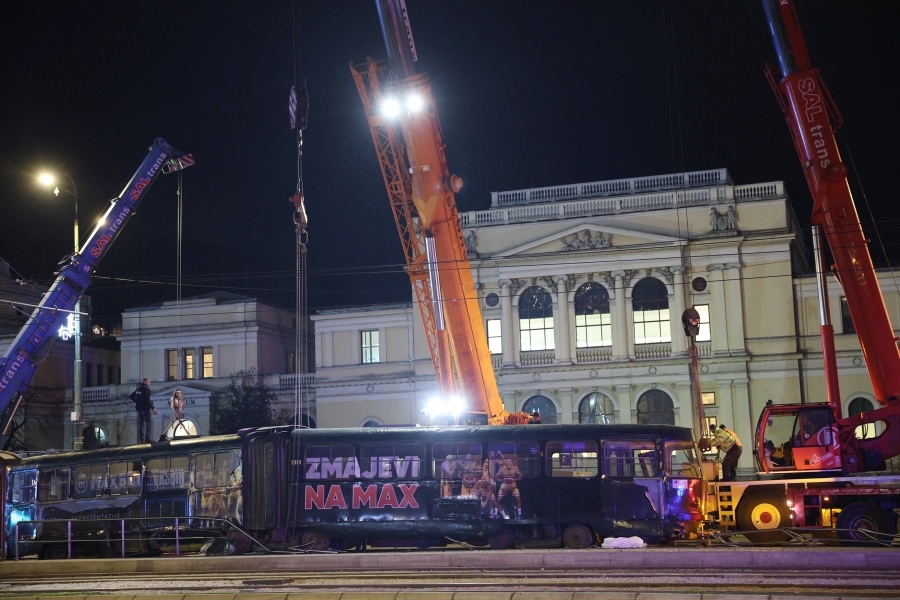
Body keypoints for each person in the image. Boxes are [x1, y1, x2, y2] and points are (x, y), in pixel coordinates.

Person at [129, 378, 156, 443]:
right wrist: (153, 408)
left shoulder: (138, 389)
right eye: (149, 381)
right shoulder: (146, 389)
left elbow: (131, 396)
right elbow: (147, 400)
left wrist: (137, 402)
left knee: (141, 424)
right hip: (145, 409)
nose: (150, 383)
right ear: (146, 382)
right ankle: (147, 438)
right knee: (148, 423)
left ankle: (142, 439)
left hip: (139, 409)